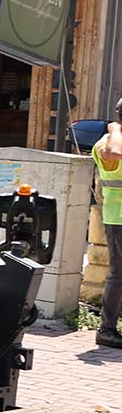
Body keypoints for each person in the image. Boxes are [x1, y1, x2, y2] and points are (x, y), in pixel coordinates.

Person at [96, 99, 122, 348]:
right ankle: (107, 329)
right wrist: (115, 130)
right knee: (119, 274)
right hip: (119, 218)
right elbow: (111, 154)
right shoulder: (109, 143)